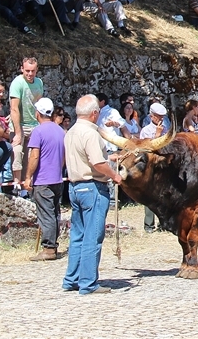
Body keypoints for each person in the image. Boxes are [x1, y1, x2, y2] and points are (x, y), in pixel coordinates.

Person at [62, 94, 122, 294]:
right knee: (93, 236)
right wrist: (114, 175)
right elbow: (96, 163)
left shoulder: (70, 132)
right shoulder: (91, 133)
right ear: (95, 113)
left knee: (77, 235)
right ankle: (88, 283)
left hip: (75, 187)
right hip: (93, 188)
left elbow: (88, 158)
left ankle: (72, 279)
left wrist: (109, 157)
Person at [22, 98, 66, 261]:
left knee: (46, 214)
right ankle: (52, 244)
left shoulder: (38, 132)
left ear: (37, 113)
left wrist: (28, 177)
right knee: (54, 213)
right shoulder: (60, 131)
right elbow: (63, 157)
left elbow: (34, 156)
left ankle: (49, 249)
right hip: (57, 178)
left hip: (42, 180)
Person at [9, 57, 44, 186]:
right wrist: (18, 132)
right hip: (19, 123)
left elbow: (39, 104)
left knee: (31, 156)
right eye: (27, 71)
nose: (30, 74)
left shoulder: (39, 82)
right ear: (22, 69)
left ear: (36, 70)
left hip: (34, 123)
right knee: (17, 152)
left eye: (32, 71)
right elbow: (14, 108)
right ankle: (16, 184)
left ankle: (28, 184)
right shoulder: (17, 83)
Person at [140, 102, 168, 233]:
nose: (161, 119)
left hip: (163, 166)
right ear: (152, 116)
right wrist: (157, 136)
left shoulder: (166, 129)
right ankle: (149, 224)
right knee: (150, 195)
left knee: (164, 195)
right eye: (158, 117)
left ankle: (164, 223)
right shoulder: (146, 131)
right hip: (151, 167)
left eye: (162, 117)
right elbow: (146, 150)